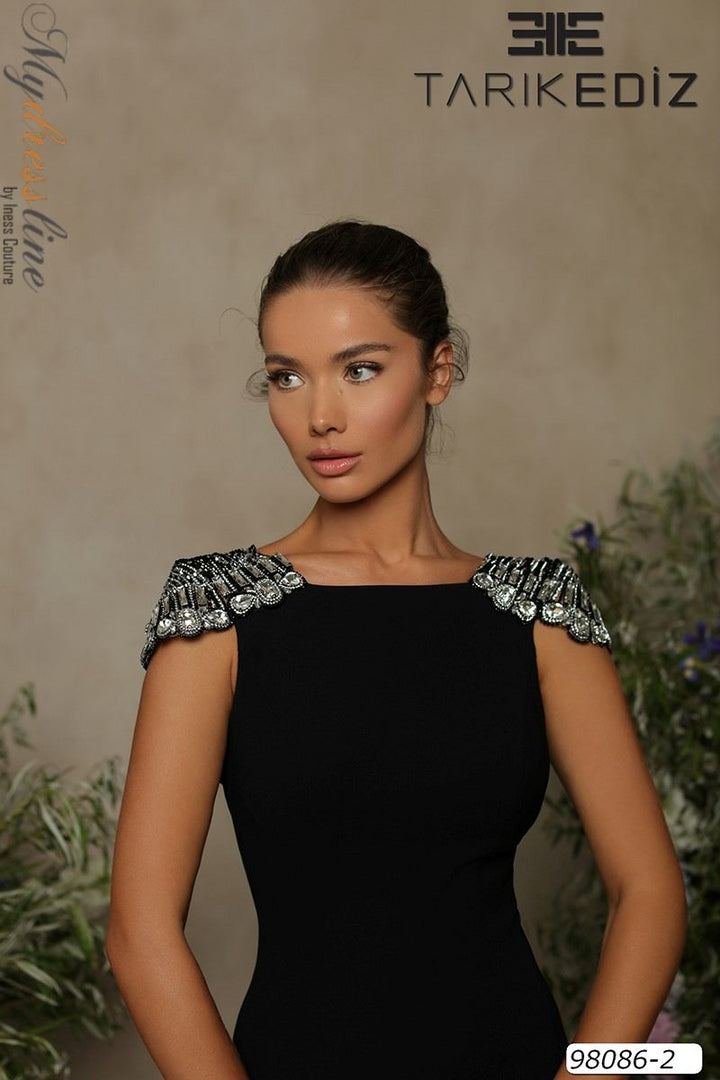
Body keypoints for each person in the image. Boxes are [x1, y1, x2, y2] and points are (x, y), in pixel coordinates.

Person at [106, 220, 687, 1080]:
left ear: (438, 371)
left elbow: (652, 894)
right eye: (286, 377)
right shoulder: (215, 613)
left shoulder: (540, 612)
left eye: (360, 369)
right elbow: (139, 932)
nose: (320, 416)